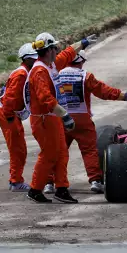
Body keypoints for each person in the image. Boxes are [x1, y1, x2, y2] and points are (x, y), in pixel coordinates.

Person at [43, 50, 127, 194]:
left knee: (57, 151)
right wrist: (126, 96)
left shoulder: (55, 74)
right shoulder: (85, 76)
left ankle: (49, 183)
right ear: (81, 61)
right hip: (82, 119)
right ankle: (95, 181)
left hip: (60, 118)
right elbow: (104, 91)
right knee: (90, 150)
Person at [23, 32, 97, 203]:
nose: (57, 50)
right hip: (43, 119)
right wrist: (65, 115)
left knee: (62, 152)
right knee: (49, 154)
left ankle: (61, 188)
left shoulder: (50, 65)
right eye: (55, 48)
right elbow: (45, 98)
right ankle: (35, 189)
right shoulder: (40, 71)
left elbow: (67, 54)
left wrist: (83, 43)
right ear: (49, 50)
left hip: (51, 117)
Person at [0, 43, 38, 192]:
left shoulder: (25, 72)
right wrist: (10, 118)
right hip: (8, 114)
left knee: (19, 149)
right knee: (17, 149)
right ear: (26, 59)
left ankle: (16, 180)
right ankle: (16, 181)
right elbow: (9, 98)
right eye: (34, 58)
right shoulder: (21, 74)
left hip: (11, 114)